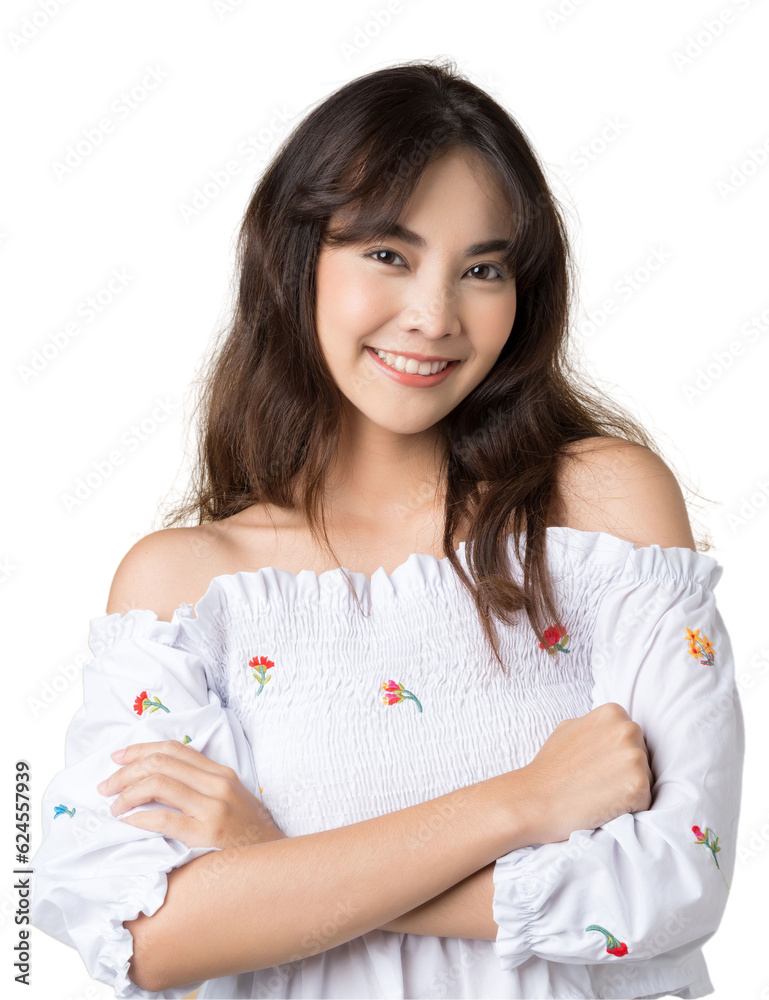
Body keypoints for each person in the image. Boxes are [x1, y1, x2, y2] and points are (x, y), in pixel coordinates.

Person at [29, 58, 743, 1000]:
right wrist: (521, 804)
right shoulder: (183, 587)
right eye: (388, 255)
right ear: (296, 261)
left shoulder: (598, 512)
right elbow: (141, 933)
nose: (435, 316)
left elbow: (672, 884)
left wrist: (275, 866)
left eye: (481, 268)